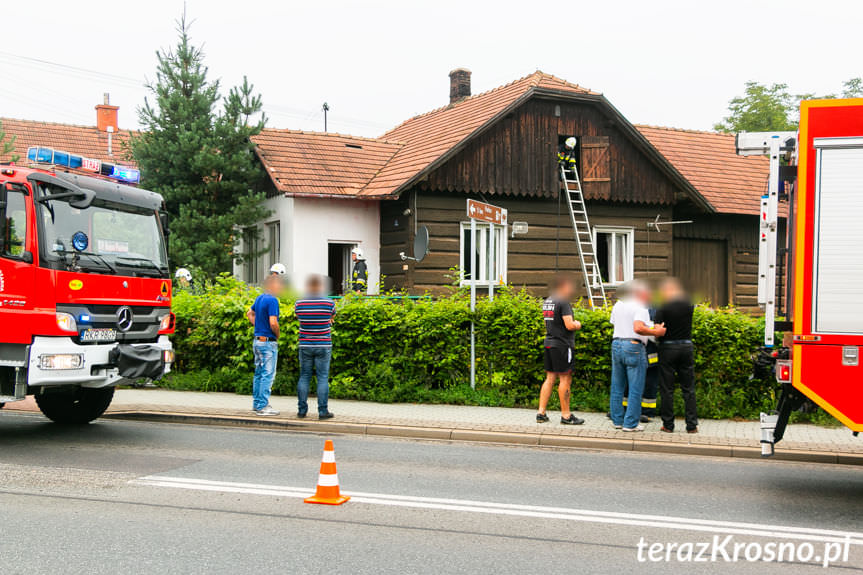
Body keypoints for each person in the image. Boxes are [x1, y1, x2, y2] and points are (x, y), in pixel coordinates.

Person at [609, 280, 666, 432]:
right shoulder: (640, 306)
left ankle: (618, 421)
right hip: (634, 346)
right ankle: (630, 424)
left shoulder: (619, 304)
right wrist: (656, 332)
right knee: (635, 388)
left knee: (617, 386)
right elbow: (638, 328)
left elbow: (615, 323)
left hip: (617, 344)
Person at [537, 274, 585, 425]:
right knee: (565, 379)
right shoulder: (563, 302)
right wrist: (578, 324)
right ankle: (566, 415)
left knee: (550, 378)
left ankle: (541, 413)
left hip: (549, 343)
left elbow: (547, 324)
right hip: (563, 345)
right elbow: (569, 325)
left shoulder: (548, 301)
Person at [655, 277, 698, 434]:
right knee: (688, 388)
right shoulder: (689, 305)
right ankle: (692, 425)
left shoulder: (663, 307)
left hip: (668, 348)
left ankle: (668, 425)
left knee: (667, 389)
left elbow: (658, 331)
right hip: (686, 347)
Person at [295, 274, 337, 419]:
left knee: (304, 376)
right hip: (324, 344)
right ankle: (322, 411)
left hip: (305, 344)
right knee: (323, 377)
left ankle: (301, 410)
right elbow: (332, 317)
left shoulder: (299, 303)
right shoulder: (329, 303)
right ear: (320, 286)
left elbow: (297, 317)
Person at [246, 274, 283, 416]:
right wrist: (277, 335)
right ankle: (263, 406)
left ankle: (256, 404)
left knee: (259, 373)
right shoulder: (273, 300)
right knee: (268, 375)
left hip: (257, 341)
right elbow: (273, 322)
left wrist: (259, 326)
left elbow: (250, 313)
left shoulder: (260, 298)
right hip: (268, 343)